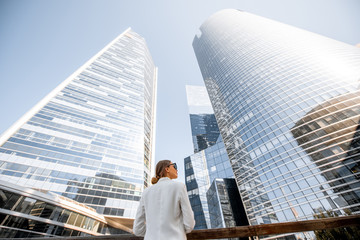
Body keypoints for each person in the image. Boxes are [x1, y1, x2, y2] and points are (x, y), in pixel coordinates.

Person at [133, 160, 195, 240]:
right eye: (174, 166)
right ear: (167, 169)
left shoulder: (146, 192)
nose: (177, 169)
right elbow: (189, 224)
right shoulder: (179, 187)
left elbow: (137, 229)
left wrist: (152, 233)